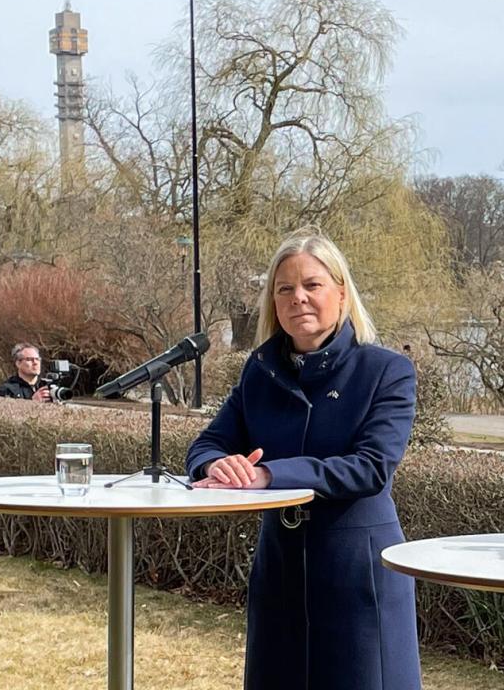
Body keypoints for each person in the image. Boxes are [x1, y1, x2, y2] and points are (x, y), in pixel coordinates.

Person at [186, 228, 421, 690]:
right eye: (284, 289)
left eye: (312, 285)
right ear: (273, 303)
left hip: (359, 572)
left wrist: (268, 474)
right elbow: (207, 444)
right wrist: (217, 465)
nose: (299, 298)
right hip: (280, 571)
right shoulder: (260, 370)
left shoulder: (386, 370)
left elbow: (371, 467)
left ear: (340, 291)